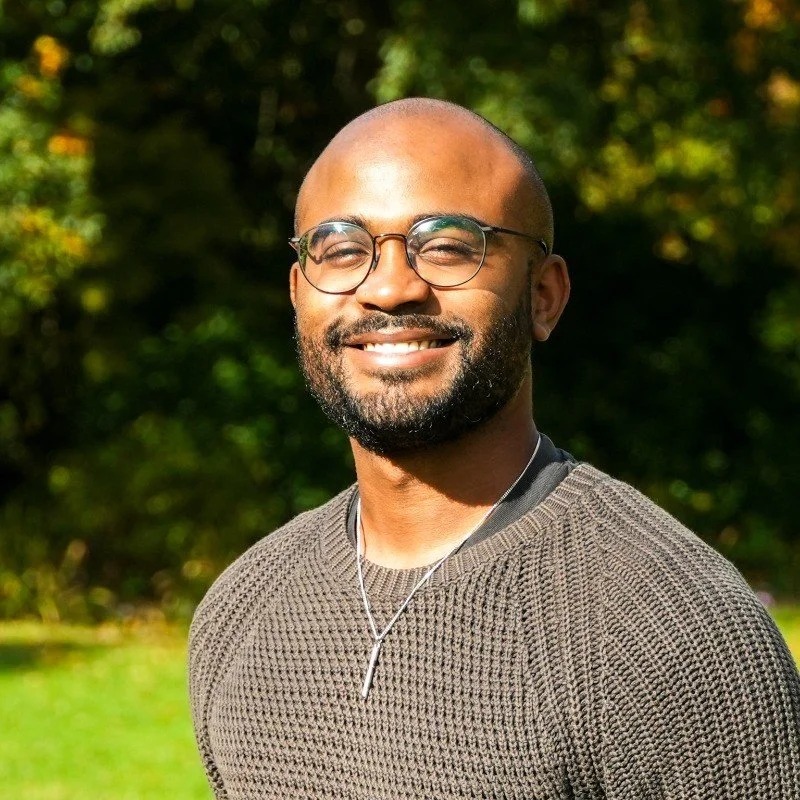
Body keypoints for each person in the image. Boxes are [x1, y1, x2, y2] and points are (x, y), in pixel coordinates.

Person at [189, 98, 800, 799]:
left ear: (544, 296)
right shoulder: (242, 609)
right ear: (299, 293)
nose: (389, 287)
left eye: (448, 245)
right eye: (342, 248)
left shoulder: (670, 632)